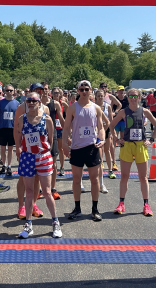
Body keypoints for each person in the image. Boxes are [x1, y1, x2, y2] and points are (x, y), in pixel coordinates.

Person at [14, 92, 62, 239]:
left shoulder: (47, 119)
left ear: (39, 102)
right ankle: (28, 225)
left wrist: (47, 155)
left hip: (43, 157)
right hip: (27, 157)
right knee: (29, 192)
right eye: (28, 100)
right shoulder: (22, 119)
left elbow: (51, 138)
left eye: (34, 100)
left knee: (47, 191)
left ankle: (55, 222)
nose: (31, 103)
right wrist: (18, 148)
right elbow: (17, 134)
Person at [110, 88, 156, 216]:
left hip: (140, 146)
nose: (133, 98)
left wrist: (151, 139)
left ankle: (146, 205)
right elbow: (111, 125)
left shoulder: (144, 111)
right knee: (124, 177)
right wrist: (116, 139)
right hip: (127, 145)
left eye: (135, 96)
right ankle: (121, 203)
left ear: (139, 97)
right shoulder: (123, 112)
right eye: (130, 96)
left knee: (143, 177)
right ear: (127, 97)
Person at [62, 80, 106, 221]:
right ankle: (77, 208)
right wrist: (64, 143)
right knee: (76, 180)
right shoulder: (72, 108)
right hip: (77, 148)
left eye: (86, 89)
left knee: (94, 179)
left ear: (91, 90)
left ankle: (95, 209)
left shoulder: (96, 108)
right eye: (81, 89)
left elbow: (100, 127)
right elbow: (67, 127)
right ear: (78, 91)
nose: (84, 91)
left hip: (92, 147)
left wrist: (102, 139)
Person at [14, 83, 49, 219]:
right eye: (35, 91)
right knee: (23, 178)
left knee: (37, 180)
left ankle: (33, 203)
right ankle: (21, 205)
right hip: (25, 149)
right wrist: (17, 147)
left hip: (40, 150)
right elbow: (16, 130)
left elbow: (47, 129)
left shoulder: (45, 108)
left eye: (40, 91)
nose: (37, 93)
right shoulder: (21, 108)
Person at [40, 82, 64, 200]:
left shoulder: (54, 104)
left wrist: (68, 133)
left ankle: (53, 189)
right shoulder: (35, 103)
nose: (44, 91)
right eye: (42, 89)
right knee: (39, 164)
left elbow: (62, 119)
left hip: (52, 135)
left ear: (48, 90)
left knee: (53, 164)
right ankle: (40, 189)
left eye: (46, 89)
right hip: (39, 137)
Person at [0, 84, 18, 177]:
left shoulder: (17, 103)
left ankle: (9, 166)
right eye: (7, 90)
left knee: (11, 148)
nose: (9, 92)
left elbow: (19, 117)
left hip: (12, 128)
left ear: (13, 91)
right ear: (4, 92)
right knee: (3, 148)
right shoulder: (1, 102)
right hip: (3, 128)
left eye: (11, 90)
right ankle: (4, 165)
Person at [94, 89, 115, 184]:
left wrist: (110, 131)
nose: (100, 97)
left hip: (106, 131)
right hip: (95, 132)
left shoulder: (108, 107)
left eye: (101, 96)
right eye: (98, 96)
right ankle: (99, 171)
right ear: (95, 97)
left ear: (104, 96)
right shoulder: (92, 106)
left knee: (107, 150)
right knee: (99, 152)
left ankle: (110, 170)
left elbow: (110, 120)